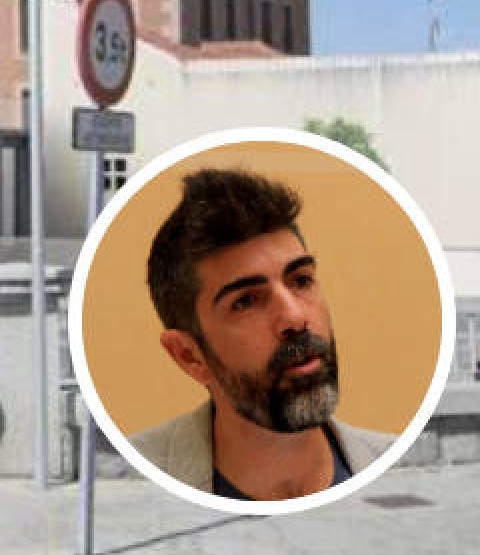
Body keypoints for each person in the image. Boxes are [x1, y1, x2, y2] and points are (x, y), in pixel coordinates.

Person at [131, 168, 395, 501]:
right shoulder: (133, 482)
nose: (295, 318)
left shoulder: (393, 464)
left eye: (301, 281)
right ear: (190, 356)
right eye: (245, 301)